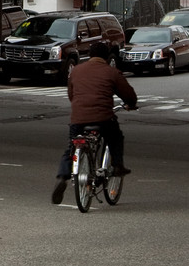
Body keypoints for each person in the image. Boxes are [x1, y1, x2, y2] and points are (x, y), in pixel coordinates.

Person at [52, 41, 135, 204]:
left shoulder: (76, 71)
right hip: (103, 118)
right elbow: (128, 94)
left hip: (78, 118)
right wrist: (131, 104)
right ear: (106, 56)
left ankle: (63, 177)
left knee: (71, 147)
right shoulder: (111, 72)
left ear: (90, 55)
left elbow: (71, 94)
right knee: (116, 137)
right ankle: (118, 165)